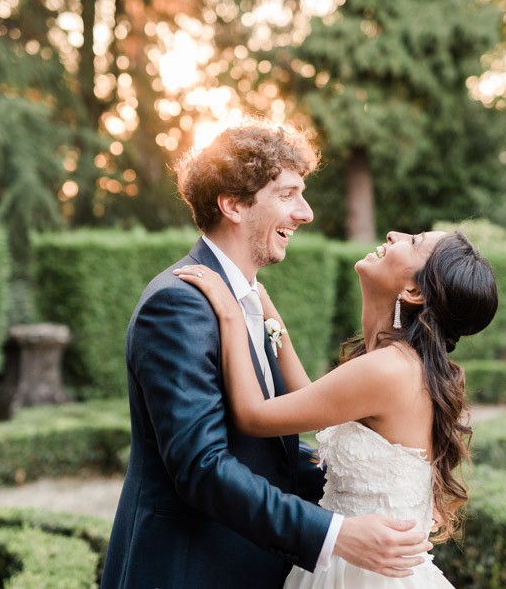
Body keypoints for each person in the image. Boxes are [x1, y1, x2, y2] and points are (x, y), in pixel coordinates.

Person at [100, 118, 432, 589]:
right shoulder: (179, 303)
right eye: (288, 194)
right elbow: (202, 468)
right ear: (234, 205)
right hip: (188, 569)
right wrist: (335, 533)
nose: (306, 213)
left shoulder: (247, 300)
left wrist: (367, 492)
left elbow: (259, 449)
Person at [175, 227, 498, 588]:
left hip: (364, 573)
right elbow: (312, 400)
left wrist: (232, 316)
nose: (394, 234)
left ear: (414, 291)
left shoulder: (389, 369)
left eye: (413, 241)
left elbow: (254, 416)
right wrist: (262, 305)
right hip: (353, 564)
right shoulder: (396, 363)